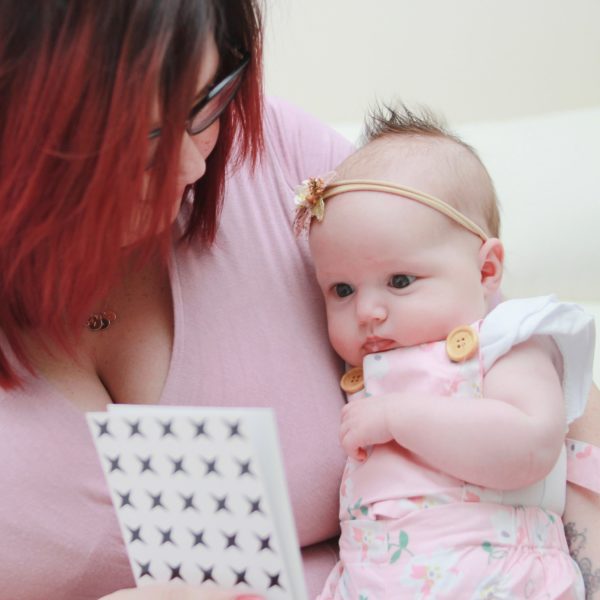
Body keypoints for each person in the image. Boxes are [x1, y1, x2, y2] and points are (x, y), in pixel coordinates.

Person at [1, 1, 599, 599]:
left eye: (204, 100)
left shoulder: (285, 167)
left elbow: (555, 413)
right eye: (137, 135)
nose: (190, 164)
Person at [299, 106, 597, 598]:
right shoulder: (368, 374)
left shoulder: (501, 343)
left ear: (486, 272)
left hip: (494, 578)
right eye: (342, 290)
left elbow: (532, 443)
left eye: (400, 281)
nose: (368, 310)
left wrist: (398, 418)